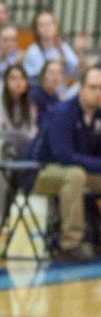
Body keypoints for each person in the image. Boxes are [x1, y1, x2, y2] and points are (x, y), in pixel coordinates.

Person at [29, 64, 101, 263]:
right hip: (40, 171)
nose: (98, 93)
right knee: (74, 175)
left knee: (78, 173)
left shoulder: (97, 115)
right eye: (93, 87)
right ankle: (70, 244)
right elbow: (64, 156)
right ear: (81, 88)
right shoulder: (63, 113)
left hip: (80, 171)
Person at [0, 64, 38, 232]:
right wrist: (19, 136)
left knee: (33, 150)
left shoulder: (30, 105)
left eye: (22, 78)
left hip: (22, 148)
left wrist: (21, 137)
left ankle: (22, 216)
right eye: (13, 78)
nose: (18, 82)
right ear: (6, 82)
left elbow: (32, 132)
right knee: (2, 147)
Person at [22, 10, 86, 85]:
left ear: (56, 26)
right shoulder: (33, 50)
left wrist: (79, 51)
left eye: (50, 24)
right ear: (36, 30)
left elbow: (77, 72)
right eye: (42, 25)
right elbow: (43, 79)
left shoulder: (63, 46)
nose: (47, 28)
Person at [29, 58, 63, 126]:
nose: (55, 77)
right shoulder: (34, 95)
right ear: (43, 75)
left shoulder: (56, 97)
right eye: (52, 73)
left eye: (58, 73)